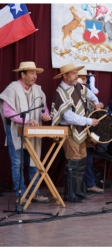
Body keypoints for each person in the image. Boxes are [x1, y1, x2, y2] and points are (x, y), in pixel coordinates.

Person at [0, 61, 51, 204]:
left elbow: (44, 108)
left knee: (34, 161)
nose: (35, 76)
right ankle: (20, 194)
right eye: (32, 73)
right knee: (18, 163)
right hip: (16, 130)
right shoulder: (12, 88)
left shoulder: (39, 90)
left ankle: (35, 192)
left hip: (33, 131)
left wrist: (45, 115)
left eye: (36, 73)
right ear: (23, 74)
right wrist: (27, 120)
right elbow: (7, 111)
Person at [51, 63, 102, 202]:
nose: (76, 76)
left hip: (81, 131)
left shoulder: (79, 87)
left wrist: (96, 103)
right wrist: (89, 121)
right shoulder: (60, 92)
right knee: (73, 162)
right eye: (73, 74)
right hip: (69, 131)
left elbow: (92, 97)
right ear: (65, 76)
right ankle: (70, 194)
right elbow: (68, 117)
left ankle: (79, 191)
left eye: (76, 73)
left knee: (82, 161)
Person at [76, 69, 105, 194]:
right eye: (81, 78)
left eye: (84, 78)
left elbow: (96, 109)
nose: (83, 80)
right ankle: (81, 186)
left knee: (87, 161)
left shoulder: (89, 97)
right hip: (77, 131)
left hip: (87, 134)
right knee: (79, 161)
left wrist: (99, 105)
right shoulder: (74, 95)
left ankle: (89, 184)